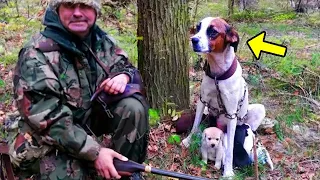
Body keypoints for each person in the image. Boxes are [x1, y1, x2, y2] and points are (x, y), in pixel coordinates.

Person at [8, 0, 149, 179]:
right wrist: (96, 152)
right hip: (44, 141)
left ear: (95, 10)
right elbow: (49, 121)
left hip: (84, 124)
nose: (77, 13)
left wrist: (124, 76)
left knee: (133, 107)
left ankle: (125, 171)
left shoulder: (100, 41)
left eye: (84, 6)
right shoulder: (36, 54)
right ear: (58, 9)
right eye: (69, 5)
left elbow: (125, 66)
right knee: (73, 173)